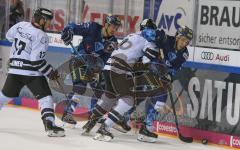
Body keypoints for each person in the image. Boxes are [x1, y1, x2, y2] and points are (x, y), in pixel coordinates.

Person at [81, 19, 160, 141]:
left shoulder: (131, 35)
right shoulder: (149, 40)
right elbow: (147, 60)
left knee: (110, 96)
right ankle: (105, 128)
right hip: (120, 69)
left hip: (108, 67)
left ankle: (90, 123)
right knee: (129, 100)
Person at [0, 8, 65, 137]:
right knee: (45, 98)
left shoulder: (21, 25)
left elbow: (8, 36)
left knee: (4, 97)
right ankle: (49, 125)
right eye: (47, 21)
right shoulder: (41, 36)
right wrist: (50, 72)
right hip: (31, 73)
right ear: (41, 20)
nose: (49, 24)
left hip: (15, 70)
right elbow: (36, 61)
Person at [60, 15, 121, 125]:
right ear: (106, 24)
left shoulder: (113, 42)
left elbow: (104, 60)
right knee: (80, 87)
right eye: (113, 27)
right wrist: (68, 30)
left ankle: (94, 115)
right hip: (78, 61)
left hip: (94, 67)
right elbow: (73, 26)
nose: (114, 30)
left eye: (117, 28)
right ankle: (67, 113)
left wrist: (97, 70)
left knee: (100, 91)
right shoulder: (92, 27)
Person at [137, 25, 193, 142]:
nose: (184, 43)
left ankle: (147, 126)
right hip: (148, 70)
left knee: (160, 101)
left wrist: (169, 75)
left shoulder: (184, 54)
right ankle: (122, 116)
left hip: (161, 76)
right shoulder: (166, 40)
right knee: (139, 96)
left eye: (187, 41)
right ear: (177, 36)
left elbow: (174, 69)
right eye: (183, 39)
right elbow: (145, 34)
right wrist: (156, 34)